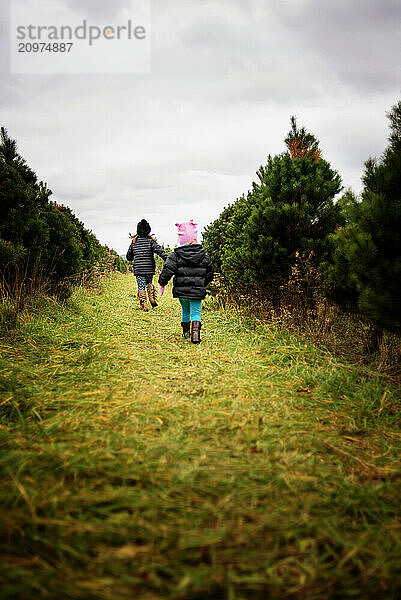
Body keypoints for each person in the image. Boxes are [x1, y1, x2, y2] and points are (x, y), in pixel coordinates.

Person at [158, 220, 214, 343]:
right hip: (197, 290)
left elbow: (167, 270)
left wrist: (162, 283)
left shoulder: (176, 255)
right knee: (196, 312)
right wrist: (203, 284)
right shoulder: (204, 255)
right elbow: (210, 272)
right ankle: (195, 335)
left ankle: (185, 332)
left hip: (181, 291)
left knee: (185, 310)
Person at [126, 219, 168, 311]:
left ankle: (144, 305)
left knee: (141, 286)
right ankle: (152, 299)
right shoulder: (151, 241)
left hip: (139, 269)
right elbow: (160, 251)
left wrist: (133, 249)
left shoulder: (134, 243)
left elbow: (128, 257)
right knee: (149, 283)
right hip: (149, 268)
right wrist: (168, 259)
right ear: (148, 230)